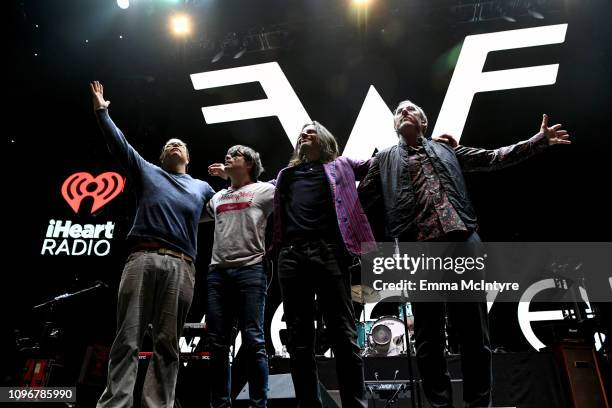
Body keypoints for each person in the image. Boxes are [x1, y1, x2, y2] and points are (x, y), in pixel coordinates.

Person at [359, 99, 571, 407]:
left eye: (411, 109)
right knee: (428, 338)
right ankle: (441, 405)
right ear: (395, 126)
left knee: (474, 334)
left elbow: (494, 157)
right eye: (398, 112)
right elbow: (356, 201)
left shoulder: (448, 150)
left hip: (462, 241)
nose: (404, 112)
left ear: (423, 122)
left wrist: (538, 141)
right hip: (417, 248)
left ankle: (478, 404)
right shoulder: (385, 159)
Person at [90, 81, 215, 408]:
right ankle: (116, 403)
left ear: (188, 156)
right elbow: (119, 145)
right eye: (169, 145)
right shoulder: (147, 172)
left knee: (167, 344)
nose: (175, 146)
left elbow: (227, 210)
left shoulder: (202, 188)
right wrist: (103, 112)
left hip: (181, 266)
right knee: (127, 339)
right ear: (161, 156)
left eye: (180, 145)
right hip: (142, 258)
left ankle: (158, 405)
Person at [271, 121, 377, 408]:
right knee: (298, 338)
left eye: (310, 130)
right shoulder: (286, 175)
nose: (303, 134)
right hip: (291, 256)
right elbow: (257, 192)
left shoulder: (341, 164)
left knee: (343, 333)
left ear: (324, 138)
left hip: (329, 252)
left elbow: (377, 164)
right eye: (301, 132)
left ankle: (355, 404)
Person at [205, 145, 274, 408]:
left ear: (249, 163)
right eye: (227, 154)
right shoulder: (218, 196)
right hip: (218, 274)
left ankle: (259, 405)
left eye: (235, 155)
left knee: (254, 340)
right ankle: (220, 405)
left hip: (251, 270)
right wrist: (227, 180)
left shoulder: (264, 190)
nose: (228, 156)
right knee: (217, 344)